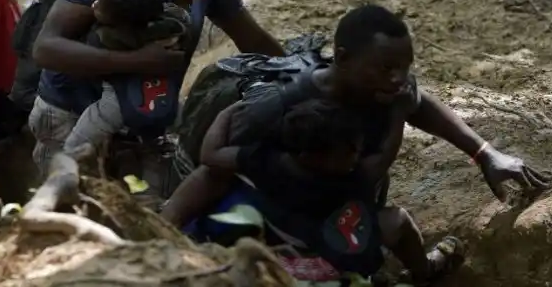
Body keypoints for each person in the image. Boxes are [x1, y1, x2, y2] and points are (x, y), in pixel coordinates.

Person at [169, 4, 549, 282]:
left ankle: (420, 273)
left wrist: (484, 153)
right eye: (387, 68)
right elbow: (213, 167)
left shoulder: (384, 92)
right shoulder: (281, 101)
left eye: (405, 67)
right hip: (269, 215)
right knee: (215, 177)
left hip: (335, 211)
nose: (400, 79)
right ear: (344, 59)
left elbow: (419, 103)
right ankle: (158, 230)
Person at [27, 0, 284, 184]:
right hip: (68, 112)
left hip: (140, 116)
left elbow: (253, 40)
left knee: (136, 216)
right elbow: (46, 48)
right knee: (65, 206)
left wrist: (299, 74)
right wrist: (139, 61)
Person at [164, 99, 462, 284]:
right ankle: (425, 271)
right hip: (316, 267)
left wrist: (226, 112)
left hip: (270, 248)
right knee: (397, 221)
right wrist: (399, 114)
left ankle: (164, 222)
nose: (356, 156)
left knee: (213, 176)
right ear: (314, 157)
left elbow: (210, 155)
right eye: (349, 152)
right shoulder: (348, 179)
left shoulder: (265, 162)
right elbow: (386, 156)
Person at [62, 0, 197, 161]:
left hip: (117, 100)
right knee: (183, 126)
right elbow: (181, 17)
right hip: (163, 91)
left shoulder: (107, 37)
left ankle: (66, 165)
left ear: (122, 24)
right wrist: (181, 3)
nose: (94, 4)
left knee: (76, 144)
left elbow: (88, 60)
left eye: (100, 7)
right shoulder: (173, 26)